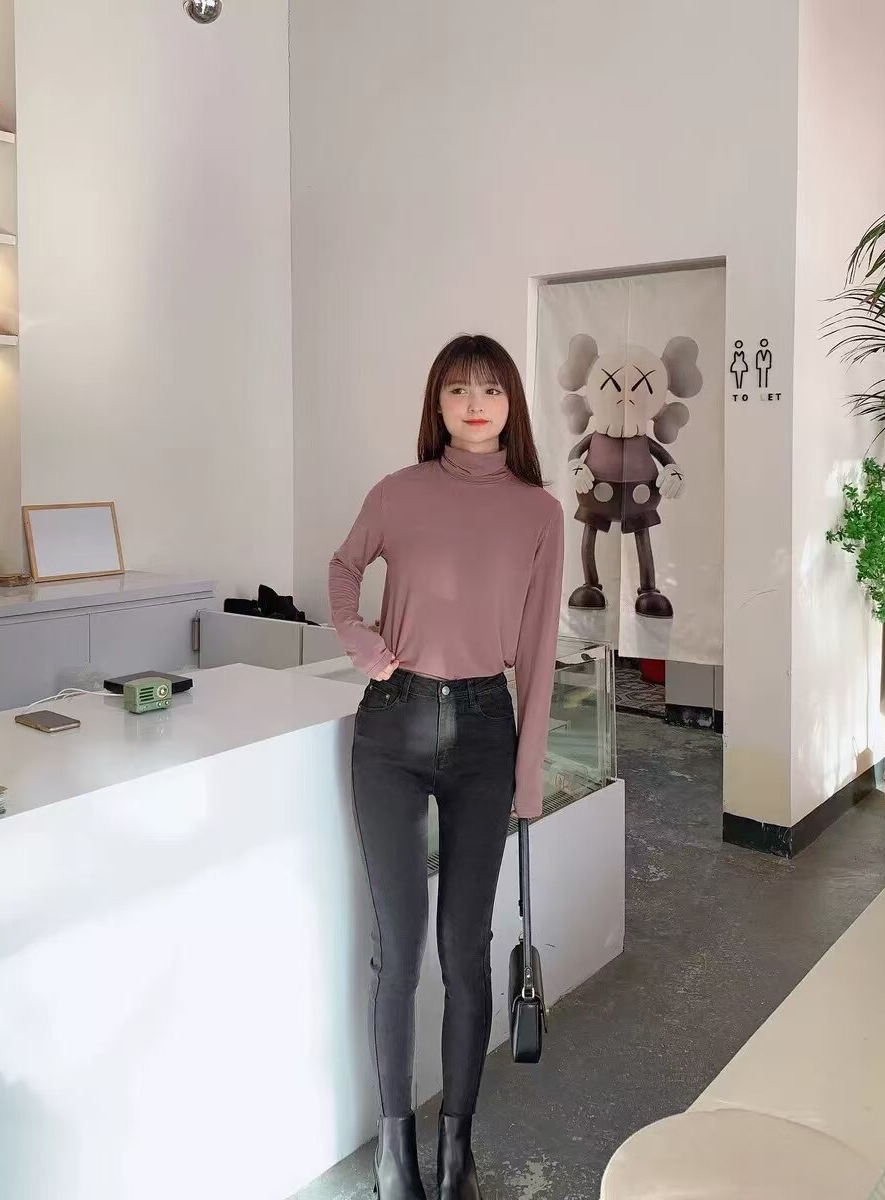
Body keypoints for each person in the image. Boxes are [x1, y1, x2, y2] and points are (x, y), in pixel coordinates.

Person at [329, 334, 564, 1199]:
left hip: (485, 733)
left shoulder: (540, 512)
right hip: (391, 731)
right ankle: (395, 1154)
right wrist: (362, 644)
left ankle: (456, 1151)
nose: (475, 403)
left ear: (511, 406)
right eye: (459, 388)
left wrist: (529, 775)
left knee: (466, 951)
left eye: (491, 390)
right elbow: (343, 569)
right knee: (398, 951)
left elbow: (538, 653)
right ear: (437, 402)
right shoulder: (398, 492)